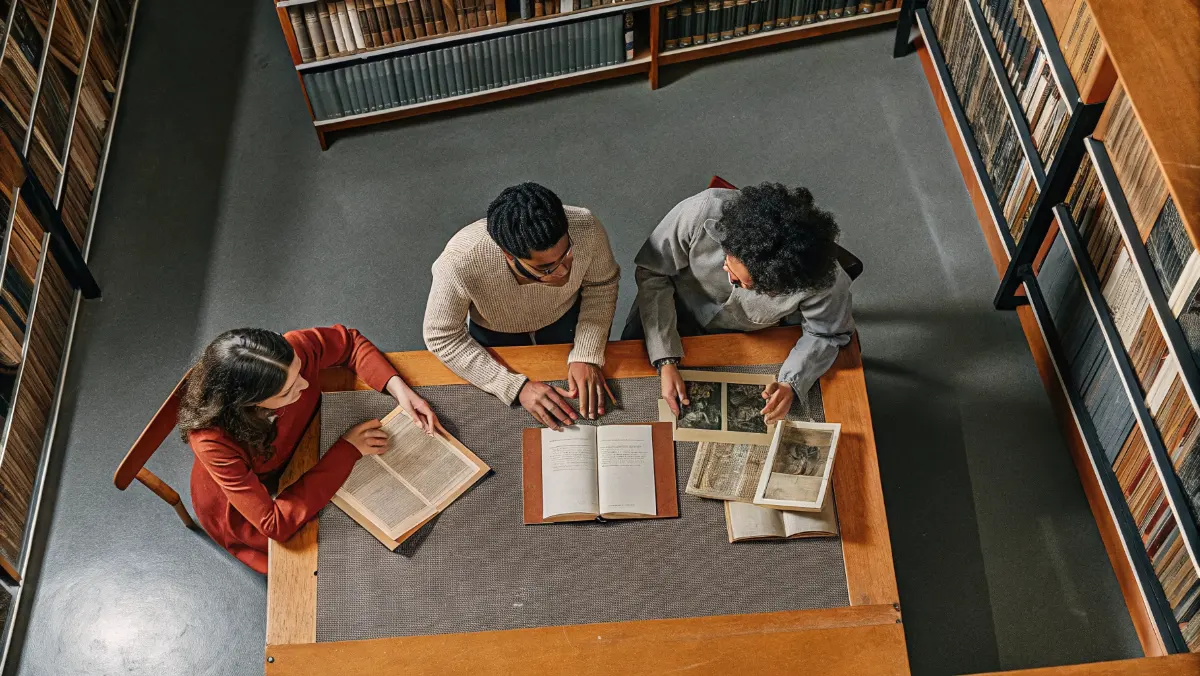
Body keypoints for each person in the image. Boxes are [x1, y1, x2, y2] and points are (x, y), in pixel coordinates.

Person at [179, 325, 438, 573]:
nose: (305, 385)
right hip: (241, 492)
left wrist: (399, 389)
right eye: (288, 391)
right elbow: (273, 523)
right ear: (248, 404)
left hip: (301, 443)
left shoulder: (292, 351)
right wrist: (348, 450)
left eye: (300, 371)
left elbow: (349, 343)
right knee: (330, 555)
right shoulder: (211, 441)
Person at [624, 182, 854, 424]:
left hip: (745, 337)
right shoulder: (700, 211)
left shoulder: (824, 282)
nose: (730, 279)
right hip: (666, 306)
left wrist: (791, 382)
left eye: (748, 285)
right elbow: (653, 272)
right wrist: (665, 358)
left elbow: (826, 333)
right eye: (729, 265)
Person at [424, 182, 620, 429]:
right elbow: (442, 337)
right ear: (508, 254)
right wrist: (514, 387)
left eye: (567, 254)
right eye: (545, 268)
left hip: (564, 317)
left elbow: (601, 284)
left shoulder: (586, 226)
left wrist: (586, 353)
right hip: (495, 331)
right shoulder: (460, 260)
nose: (563, 273)